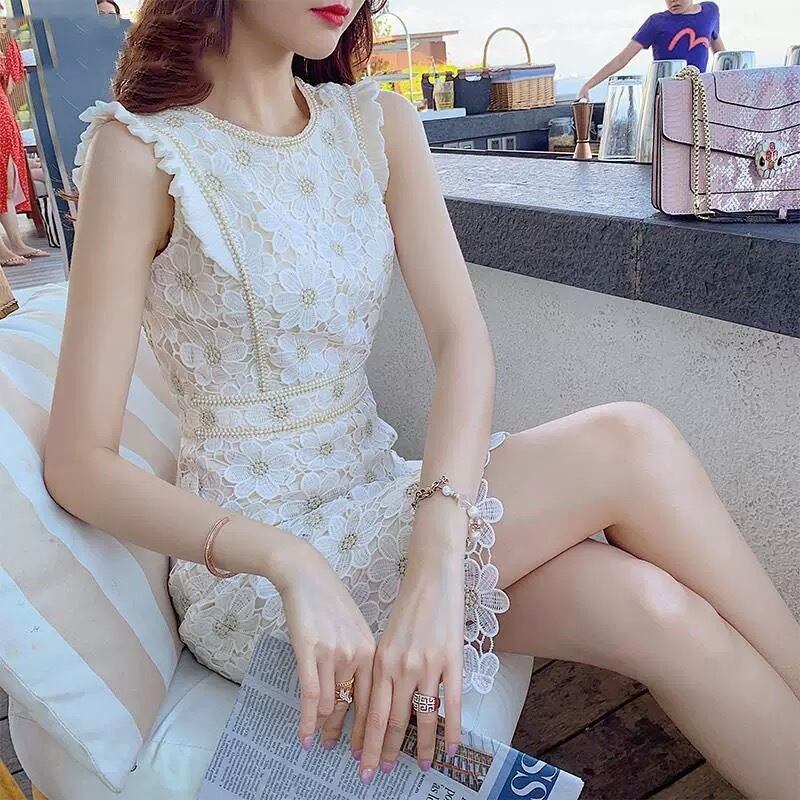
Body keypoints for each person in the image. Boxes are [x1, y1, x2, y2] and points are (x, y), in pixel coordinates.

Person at [44, 0, 800, 795]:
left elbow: (462, 342)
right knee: (631, 443)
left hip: (384, 498)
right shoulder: (141, 151)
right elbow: (78, 463)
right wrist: (287, 561)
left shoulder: (376, 125)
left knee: (656, 611)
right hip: (259, 572)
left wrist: (436, 563)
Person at [578, 0, 726, 100]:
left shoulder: (710, 12)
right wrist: (588, 86)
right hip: (666, 96)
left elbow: (721, 55)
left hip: (699, 95)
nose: (673, 1)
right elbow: (622, 59)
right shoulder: (656, 22)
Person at [0, 9, 47, 266]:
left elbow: (9, 86)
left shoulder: (4, 41)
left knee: (6, 182)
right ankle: (2, 250)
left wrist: (7, 44)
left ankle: (17, 242)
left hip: (4, 117)